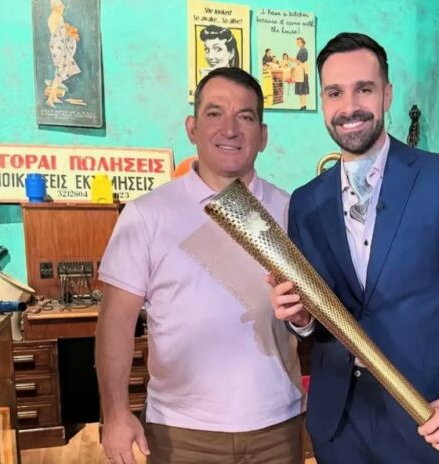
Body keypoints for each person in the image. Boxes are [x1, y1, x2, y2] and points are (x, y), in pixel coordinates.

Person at [268, 32, 439, 463]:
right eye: (334, 93)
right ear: (322, 102)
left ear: (387, 94)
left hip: (428, 414)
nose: (349, 107)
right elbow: (320, 317)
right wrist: (302, 319)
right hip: (338, 423)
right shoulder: (306, 201)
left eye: (363, 89)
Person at [96, 67, 304, 464]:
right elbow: (116, 323)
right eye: (214, 113)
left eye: (245, 116)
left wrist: (302, 317)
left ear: (263, 135)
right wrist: (116, 413)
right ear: (192, 128)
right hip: (182, 433)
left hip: (276, 428)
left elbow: (307, 315)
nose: (230, 129)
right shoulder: (147, 215)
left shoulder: (291, 211)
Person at [46, 0, 81, 107]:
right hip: (57, 46)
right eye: (61, 5)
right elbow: (58, 34)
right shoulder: (54, 18)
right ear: (55, 7)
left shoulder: (59, 17)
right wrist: (70, 32)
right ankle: (50, 100)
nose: (63, 7)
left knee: (59, 72)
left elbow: (63, 33)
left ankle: (53, 97)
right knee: (60, 71)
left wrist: (70, 32)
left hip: (60, 45)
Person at [294, 37, 309, 110]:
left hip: (302, 71)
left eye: (299, 42)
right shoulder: (301, 49)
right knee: (300, 89)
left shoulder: (304, 50)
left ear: (302, 43)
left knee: (302, 88)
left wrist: (295, 60)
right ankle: (302, 105)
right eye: (297, 43)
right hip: (300, 70)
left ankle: (303, 105)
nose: (298, 44)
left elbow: (302, 61)